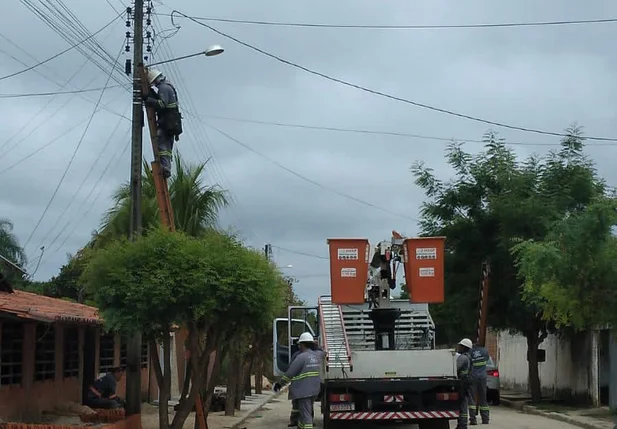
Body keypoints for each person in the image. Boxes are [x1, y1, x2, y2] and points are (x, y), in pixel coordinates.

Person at [274, 332, 325, 429]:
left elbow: (289, 374)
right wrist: (316, 346)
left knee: (306, 417)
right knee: (304, 413)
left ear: (302, 344)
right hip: (315, 390)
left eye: (299, 344)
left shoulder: (301, 357)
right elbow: (323, 352)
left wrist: (279, 384)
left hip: (303, 391)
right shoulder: (317, 356)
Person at [142, 68, 183, 179]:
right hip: (172, 122)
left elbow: (161, 104)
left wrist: (148, 100)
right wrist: (152, 96)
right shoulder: (169, 86)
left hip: (167, 122)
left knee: (161, 143)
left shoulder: (164, 88)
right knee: (167, 147)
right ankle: (166, 167)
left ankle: (165, 167)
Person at [469, 342, 490, 425]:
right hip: (482, 377)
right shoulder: (484, 350)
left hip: (473, 377)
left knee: (472, 399)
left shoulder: (470, 351)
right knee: (483, 398)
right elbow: (487, 359)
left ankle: (473, 419)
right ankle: (485, 419)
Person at [456, 338, 473, 429]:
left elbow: (455, 368)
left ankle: (462, 425)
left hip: (462, 383)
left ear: (464, 347)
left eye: (460, 346)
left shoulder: (463, 358)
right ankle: (462, 424)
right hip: (465, 383)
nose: (458, 347)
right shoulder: (468, 357)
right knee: (464, 403)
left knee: (462, 404)